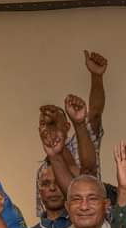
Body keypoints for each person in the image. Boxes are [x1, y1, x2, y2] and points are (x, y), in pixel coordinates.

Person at [33, 51, 108, 219]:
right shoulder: (43, 170)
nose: (49, 129)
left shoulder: (81, 141)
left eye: (53, 123)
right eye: (44, 124)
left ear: (67, 126)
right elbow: (46, 217)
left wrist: (96, 76)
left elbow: (86, 173)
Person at [26, 162, 70, 228]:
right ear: (39, 191)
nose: (52, 188)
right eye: (46, 184)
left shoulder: (80, 227)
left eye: (58, 182)